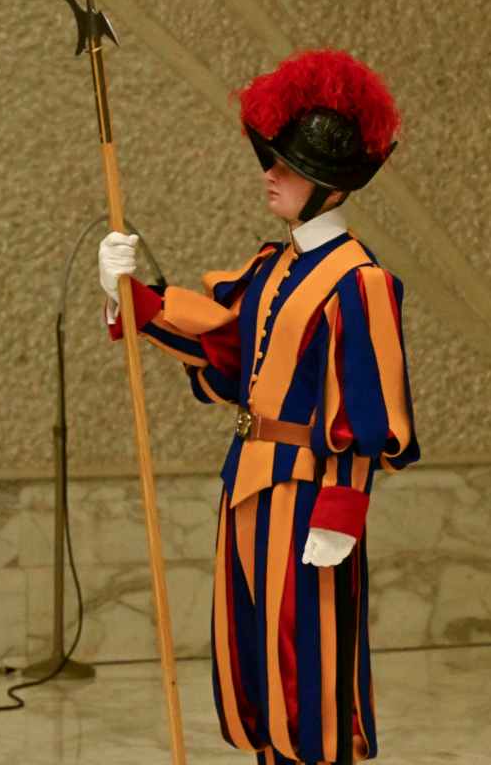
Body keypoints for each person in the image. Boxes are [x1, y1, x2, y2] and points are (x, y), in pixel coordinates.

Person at [97, 49, 419, 765]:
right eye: (273, 159)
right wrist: (127, 293)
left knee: (310, 662)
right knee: (256, 656)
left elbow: (368, 413)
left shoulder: (359, 283)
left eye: (289, 166)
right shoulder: (274, 268)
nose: (270, 174)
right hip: (246, 483)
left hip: (308, 493)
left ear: (330, 187)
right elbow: (219, 340)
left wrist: (342, 511)